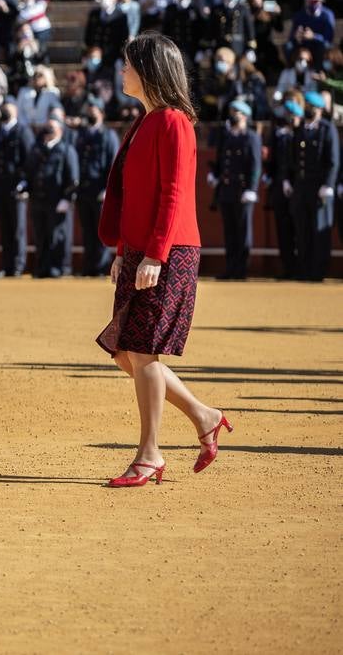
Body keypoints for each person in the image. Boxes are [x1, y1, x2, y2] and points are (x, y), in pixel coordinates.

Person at [97, 32, 228, 488]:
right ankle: (203, 415)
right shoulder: (145, 121)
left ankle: (150, 454)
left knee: (142, 351)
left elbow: (173, 195)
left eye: (129, 64)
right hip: (141, 249)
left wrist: (154, 254)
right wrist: (122, 253)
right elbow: (135, 196)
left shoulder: (173, 122)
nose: (123, 71)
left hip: (167, 251)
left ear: (149, 71)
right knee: (125, 353)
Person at [289, 91, 339, 281]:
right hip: (302, 187)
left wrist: (328, 184)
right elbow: (294, 158)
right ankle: (304, 269)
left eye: (310, 107)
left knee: (319, 231)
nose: (307, 110)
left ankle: (318, 271)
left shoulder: (327, 129)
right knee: (302, 230)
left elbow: (333, 160)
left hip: (319, 188)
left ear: (318, 109)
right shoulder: (301, 128)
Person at [209, 100, 261, 281]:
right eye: (231, 111)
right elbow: (221, 160)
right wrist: (214, 175)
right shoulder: (226, 136)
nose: (232, 115)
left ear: (245, 116)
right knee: (230, 232)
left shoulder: (251, 137)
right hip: (226, 190)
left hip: (242, 191)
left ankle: (241, 269)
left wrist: (251, 188)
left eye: (236, 112)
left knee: (243, 232)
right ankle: (230, 268)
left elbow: (255, 165)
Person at [25, 116, 79, 278]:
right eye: (46, 127)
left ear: (60, 131)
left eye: (52, 128)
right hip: (38, 200)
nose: (48, 131)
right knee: (41, 235)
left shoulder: (66, 150)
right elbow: (29, 172)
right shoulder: (36, 149)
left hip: (57, 201)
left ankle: (60, 267)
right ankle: (42, 267)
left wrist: (67, 198)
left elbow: (73, 178)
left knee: (58, 236)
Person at [75, 98, 120, 276]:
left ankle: (100, 267)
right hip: (84, 190)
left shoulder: (108, 135)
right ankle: (88, 267)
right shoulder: (83, 134)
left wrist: (107, 189)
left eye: (94, 110)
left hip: (100, 190)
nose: (91, 113)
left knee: (101, 231)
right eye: (89, 110)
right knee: (87, 230)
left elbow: (113, 164)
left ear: (101, 113)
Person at [0, 99, 34, 277]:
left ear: (15, 111)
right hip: (0, 186)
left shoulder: (23, 131)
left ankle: (18, 265)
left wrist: (24, 181)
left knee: (17, 229)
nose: (5, 110)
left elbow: (29, 159)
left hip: (17, 187)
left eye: (8, 107)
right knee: (5, 228)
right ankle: (7, 265)